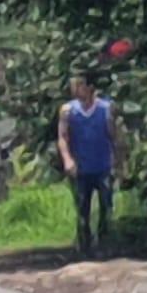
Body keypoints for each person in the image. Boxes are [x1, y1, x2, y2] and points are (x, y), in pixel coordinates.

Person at [58, 69, 126, 256]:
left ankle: (104, 244)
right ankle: (84, 247)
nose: (75, 89)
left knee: (106, 207)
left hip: (103, 166)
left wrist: (120, 165)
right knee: (82, 211)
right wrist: (67, 160)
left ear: (90, 87)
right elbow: (62, 137)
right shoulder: (68, 111)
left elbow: (115, 138)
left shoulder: (106, 109)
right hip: (80, 168)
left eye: (79, 85)